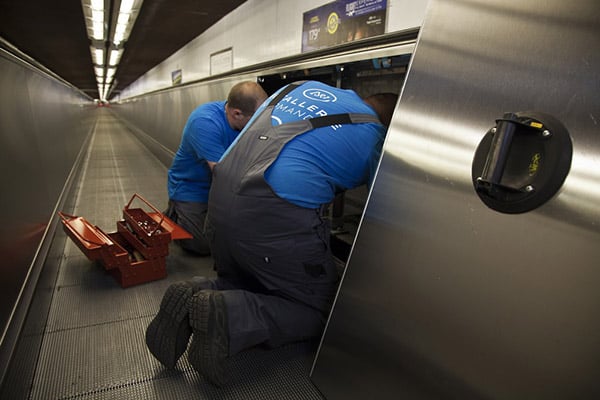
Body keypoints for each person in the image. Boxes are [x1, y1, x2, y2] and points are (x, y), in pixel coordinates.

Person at [146, 80, 398, 386]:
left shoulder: (300, 88)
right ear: (390, 125)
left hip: (220, 201)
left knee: (251, 277)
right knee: (319, 307)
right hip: (272, 217)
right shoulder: (376, 135)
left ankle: (197, 293)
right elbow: (385, 214)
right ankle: (226, 315)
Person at [164, 81, 268, 255]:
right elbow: (223, 176)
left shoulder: (247, 120)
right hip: (192, 188)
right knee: (202, 245)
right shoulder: (205, 122)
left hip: (224, 184)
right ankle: (174, 215)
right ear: (237, 113)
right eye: (256, 119)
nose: (261, 123)